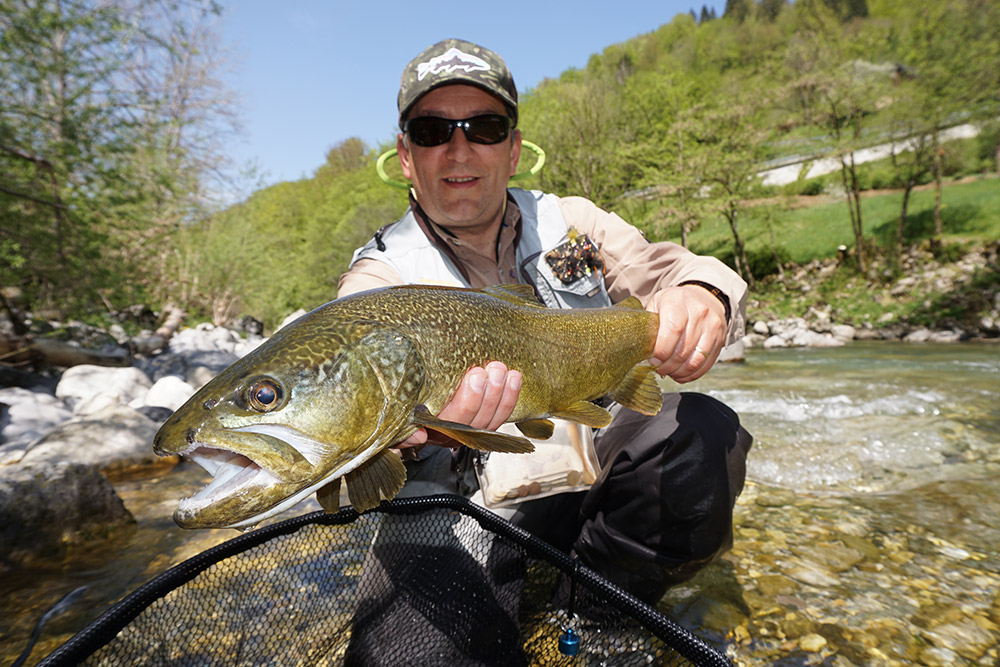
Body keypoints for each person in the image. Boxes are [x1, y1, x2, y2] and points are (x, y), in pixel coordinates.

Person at [337, 38, 752, 604]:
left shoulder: (570, 222)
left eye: (483, 127)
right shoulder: (378, 280)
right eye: (433, 131)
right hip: (465, 501)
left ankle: (598, 612)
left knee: (701, 436)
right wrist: (404, 437)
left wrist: (702, 293)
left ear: (513, 149)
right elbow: (338, 440)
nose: (459, 150)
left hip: (590, 458)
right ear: (406, 156)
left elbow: (667, 270)